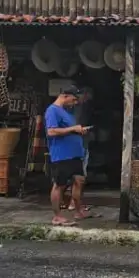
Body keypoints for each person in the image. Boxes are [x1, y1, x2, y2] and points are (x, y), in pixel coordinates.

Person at [45, 86, 91, 225]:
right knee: (59, 185)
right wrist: (73, 128)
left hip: (75, 154)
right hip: (62, 155)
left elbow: (68, 130)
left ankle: (78, 211)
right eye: (74, 99)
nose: (75, 102)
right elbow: (51, 132)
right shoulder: (52, 110)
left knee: (79, 181)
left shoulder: (66, 112)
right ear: (65, 96)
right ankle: (57, 216)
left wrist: (79, 130)